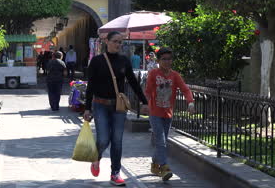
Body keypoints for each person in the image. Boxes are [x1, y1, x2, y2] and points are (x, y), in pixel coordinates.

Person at [83, 31, 149, 186]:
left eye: (121, 42)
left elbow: (133, 82)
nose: (118, 45)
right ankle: (96, 157)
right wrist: (87, 108)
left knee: (117, 140)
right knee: (103, 139)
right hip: (100, 105)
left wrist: (144, 101)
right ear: (107, 41)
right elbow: (90, 86)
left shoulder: (124, 61)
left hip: (118, 107)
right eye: (115, 41)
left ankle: (115, 173)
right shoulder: (97, 61)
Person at [146, 47, 195, 181]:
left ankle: (155, 164)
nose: (167, 62)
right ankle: (164, 167)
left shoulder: (175, 75)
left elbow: (185, 89)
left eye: (169, 59)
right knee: (161, 141)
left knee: (162, 142)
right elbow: (148, 91)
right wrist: (145, 104)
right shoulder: (153, 74)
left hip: (168, 114)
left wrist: (190, 102)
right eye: (164, 59)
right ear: (158, 60)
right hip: (155, 113)